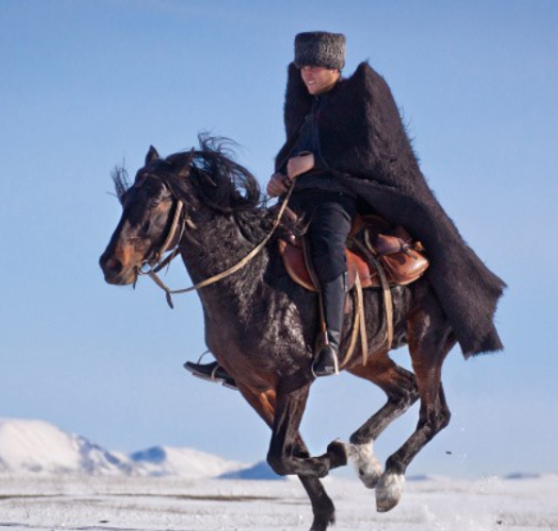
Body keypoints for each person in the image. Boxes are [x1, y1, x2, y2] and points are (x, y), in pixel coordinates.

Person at [186, 31, 504, 388]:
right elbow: (295, 154)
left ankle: (331, 343)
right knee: (249, 246)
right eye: (303, 66)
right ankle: (239, 355)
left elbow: (372, 152)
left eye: (316, 67)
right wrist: (280, 178)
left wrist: (315, 162)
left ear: (334, 66)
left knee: (326, 249)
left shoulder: (358, 100)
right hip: (296, 199)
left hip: (337, 199)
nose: (307, 74)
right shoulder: (309, 109)